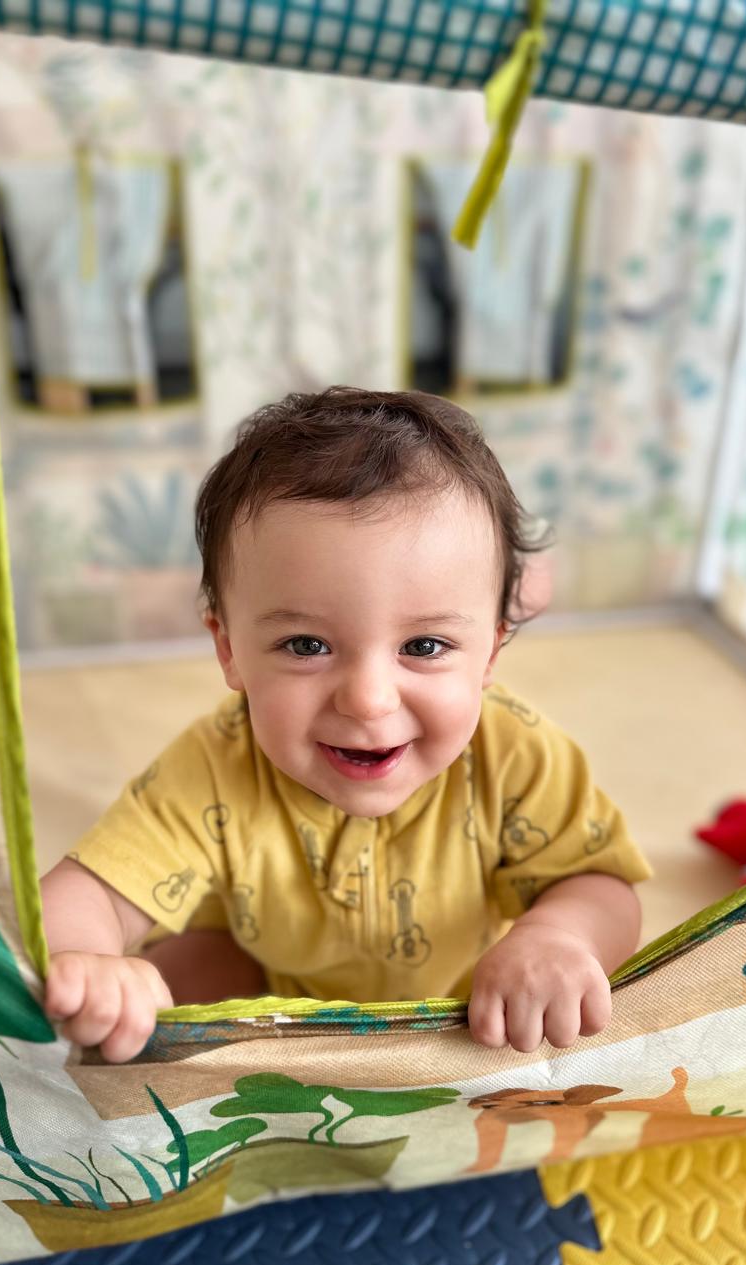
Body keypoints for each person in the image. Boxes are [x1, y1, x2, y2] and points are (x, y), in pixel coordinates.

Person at [39, 387, 651, 1063]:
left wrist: (558, 935)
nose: (367, 701)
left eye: (424, 646)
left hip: (462, 1008)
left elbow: (599, 885)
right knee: (165, 994)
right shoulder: (215, 767)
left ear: (491, 653)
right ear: (230, 650)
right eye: (307, 645)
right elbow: (85, 893)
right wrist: (90, 962)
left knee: (543, 991)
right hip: (264, 983)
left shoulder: (517, 756)